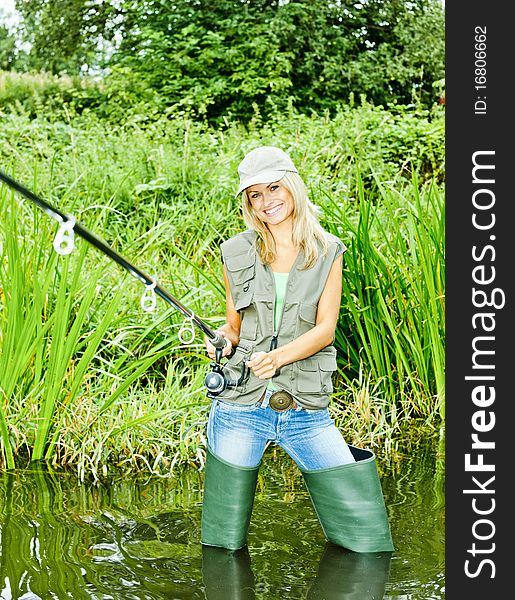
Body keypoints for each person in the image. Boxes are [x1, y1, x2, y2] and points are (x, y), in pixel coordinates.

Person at [201, 146, 393, 553]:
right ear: (248, 203)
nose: (267, 202)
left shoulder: (328, 250)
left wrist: (278, 358)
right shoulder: (235, 251)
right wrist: (221, 339)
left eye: (274, 188)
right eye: (255, 194)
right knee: (222, 542)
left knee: (366, 537)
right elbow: (233, 327)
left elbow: (325, 330)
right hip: (239, 407)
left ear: (292, 186)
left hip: (305, 409)